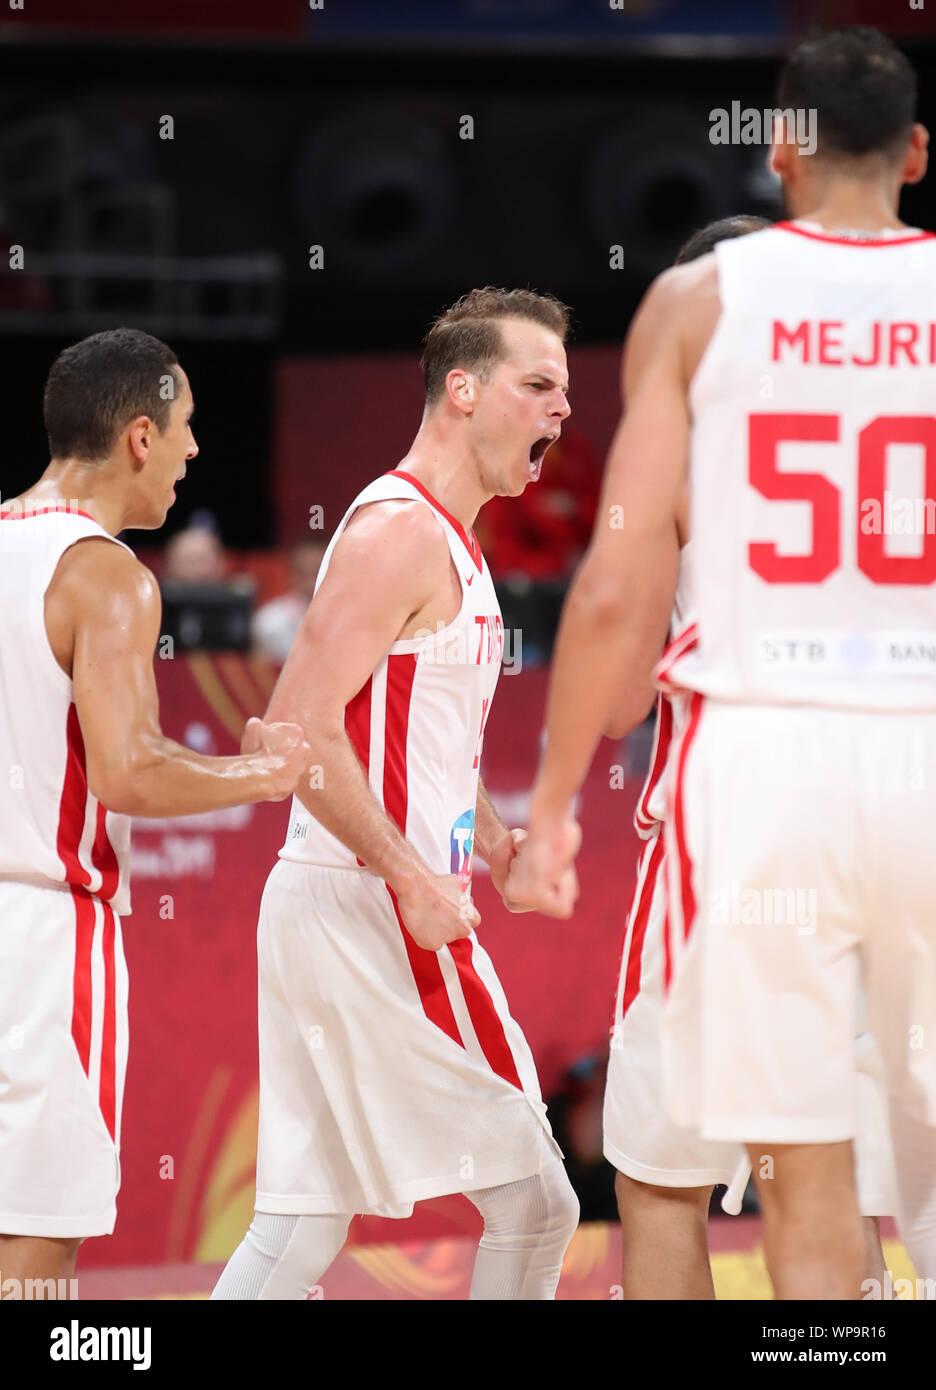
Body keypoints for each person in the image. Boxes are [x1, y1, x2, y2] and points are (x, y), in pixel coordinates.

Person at [508, 27, 936, 1298]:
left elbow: (619, 588)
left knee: (804, 1174)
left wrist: (548, 808)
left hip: (762, 757)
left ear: (782, 155)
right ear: (917, 152)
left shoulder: (699, 304)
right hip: (924, 736)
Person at [213, 287, 580, 1302]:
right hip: (369, 907)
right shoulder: (400, 531)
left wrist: (494, 840)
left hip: (345, 897)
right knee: (540, 1204)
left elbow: (422, 741)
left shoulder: (451, 537)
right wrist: (414, 874)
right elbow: (292, 729)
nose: (561, 409)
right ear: (461, 389)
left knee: (301, 1221)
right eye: (538, 384)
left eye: (566, 390)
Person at [602, 215, 896, 1301]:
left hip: (724, 842)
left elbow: (623, 689)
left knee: (661, 1183)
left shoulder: (677, 443)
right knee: (823, 1171)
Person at [0, 328, 310, 1295]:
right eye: (182, 430)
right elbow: (128, 775)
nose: (193, 452)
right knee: (37, 1250)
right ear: (139, 435)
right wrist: (263, 777)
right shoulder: (107, 577)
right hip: (46, 932)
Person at [251, 539, 326, 664]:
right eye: (303, 573)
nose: (310, 583)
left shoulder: (349, 620)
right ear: (291, 574)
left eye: (317, 573)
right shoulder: (267, 622)